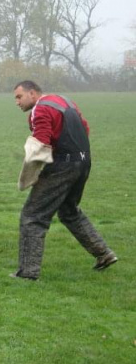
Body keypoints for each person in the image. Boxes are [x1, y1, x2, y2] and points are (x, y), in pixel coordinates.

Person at [11, 80, 117, 280]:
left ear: (32, 93)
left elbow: (41, 144)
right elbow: (85, 128)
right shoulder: (64, 101)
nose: (17, 102)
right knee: (69, 212)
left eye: (19, 96)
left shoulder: (40, 110)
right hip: (84, 162)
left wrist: (30, 171)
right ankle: (104, 254)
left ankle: (28, 273)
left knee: (33, 216)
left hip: (63, 166)